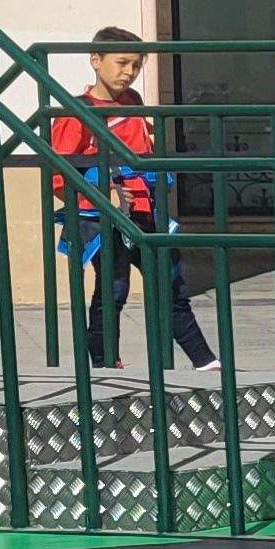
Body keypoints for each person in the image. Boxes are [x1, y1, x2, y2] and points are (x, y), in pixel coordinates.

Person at [46, 28, 216, 368]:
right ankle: (105, 363)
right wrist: (101, 192)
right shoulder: (77, 110)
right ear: (95, 61)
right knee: (113, 288)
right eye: (121, 62)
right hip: (102, 217)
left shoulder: (134, 102)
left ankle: (206, 362)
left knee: (170, 284)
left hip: (144, 211)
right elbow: (58, 176)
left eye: (136, 65)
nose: (128, 72)